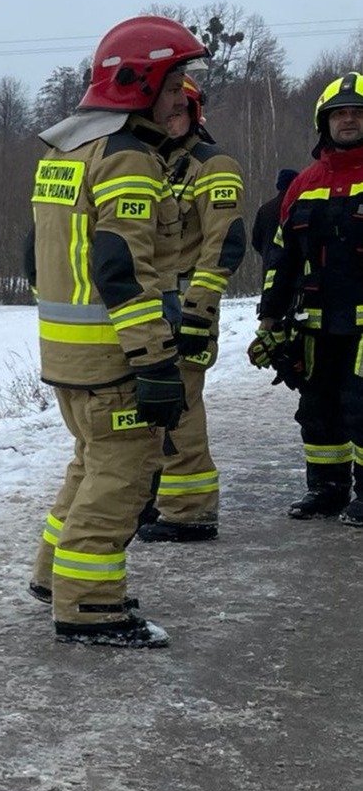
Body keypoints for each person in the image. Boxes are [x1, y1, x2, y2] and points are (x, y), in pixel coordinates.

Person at [26, 15, 208, 648]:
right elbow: (121, 270)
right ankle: (90, 607)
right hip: (116, 360)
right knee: (120, 481)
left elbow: (36, 255)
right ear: (140, 83)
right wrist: (156, 361)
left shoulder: (65, 149)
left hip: (70, 357)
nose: (182, 94)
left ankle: (55, 579)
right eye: (174, 80)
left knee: (87, 469)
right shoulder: (128, 155)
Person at [135, 75, 247, 542]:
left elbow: (225, 244)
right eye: (167, 106)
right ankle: (154, 501)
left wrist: (200, 311)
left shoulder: (212, 164)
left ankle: (190, 512)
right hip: (151, 306)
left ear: (195, 112)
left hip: (187, 304)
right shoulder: (148, 162)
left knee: (180, 407)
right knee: (150, 409)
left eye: (183, 108)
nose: (173, 115)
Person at [254, 72, 363, 523]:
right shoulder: (304, 184)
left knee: (362, 405)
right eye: (340, 114)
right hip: (316, 322)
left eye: (357, 112)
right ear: (324, 123)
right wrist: (270, 317)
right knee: (318, 407)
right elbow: (282, 258)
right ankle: (328, 488)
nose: (349, 121)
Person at [252, 168, 299, 255]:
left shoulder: (264, 210)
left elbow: (256, 242)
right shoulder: (297, 208)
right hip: (294, 265)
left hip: (270, 264)